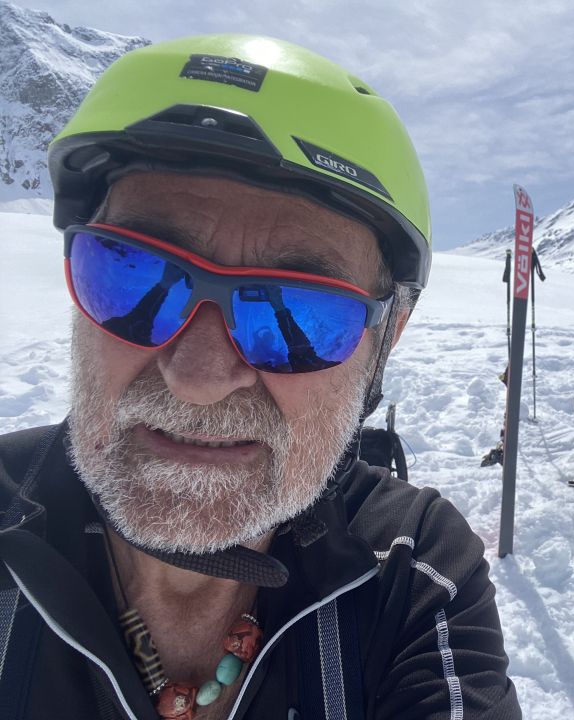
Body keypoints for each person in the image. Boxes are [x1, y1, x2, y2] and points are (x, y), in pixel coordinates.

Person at [0, 35, 521, 720]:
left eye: (298, 313)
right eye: (133, 276)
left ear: (385, 340)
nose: (198, 378)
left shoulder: (410, 571)